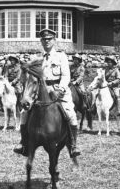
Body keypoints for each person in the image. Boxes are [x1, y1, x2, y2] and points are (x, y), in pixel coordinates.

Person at [14, 28, 81, 158]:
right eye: (44, 39)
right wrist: (25, 68)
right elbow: (30, 76)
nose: (47, 41)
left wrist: (60, 90)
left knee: (71, 113)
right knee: (24, 113)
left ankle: (73, 145)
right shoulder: (37, 58)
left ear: (54, 40)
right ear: (41, 41)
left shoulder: (61, 56)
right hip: (42, 90)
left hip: (59, 91)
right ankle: (23, 143)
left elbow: (66, 76)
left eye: (49, 39)